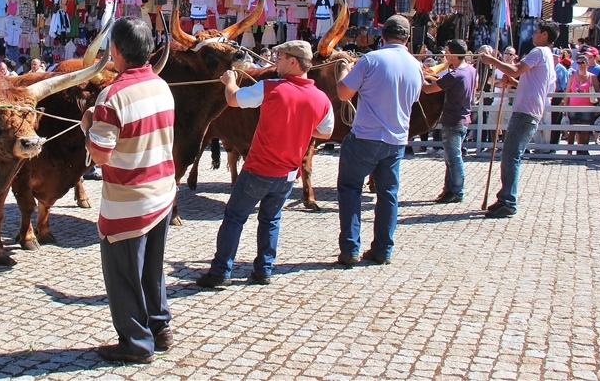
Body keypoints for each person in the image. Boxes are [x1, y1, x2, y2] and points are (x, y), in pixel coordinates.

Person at [196, 40, 334, 286]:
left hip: (259, 169)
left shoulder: (272, 87)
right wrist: (301, 126)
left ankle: (219, 272)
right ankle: (263, 270)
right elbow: (326, 132)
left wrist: (229, 82)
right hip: (288, 174)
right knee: (271, 220)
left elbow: (234, 100)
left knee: (234, 217)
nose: (275, 60)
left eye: (279, 57)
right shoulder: (321, 98)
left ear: (293, 62)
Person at [82, 17, 176, 364]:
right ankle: (160, 327)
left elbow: (100, 154)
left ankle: (136, 343)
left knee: (123, 273)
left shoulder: (112, 95)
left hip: (128, 200)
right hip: (162, 191)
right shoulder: (161, 85)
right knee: (152, 268)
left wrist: (89, 125)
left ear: (116, 51)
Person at [336, 15, 423, 265]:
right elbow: (414, 99)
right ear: (407, 38)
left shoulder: (370, 59)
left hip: (366, 135)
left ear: (381, 36)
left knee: (350, 189)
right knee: (388, 195)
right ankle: (383, 249)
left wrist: (344, 71)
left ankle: (350, 248)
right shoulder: (415, 65)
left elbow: (343, 93)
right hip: (396, 140)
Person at [478, 21, 557, 218]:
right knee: (510, 154)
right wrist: (513, 82)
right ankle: (505, 196)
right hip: (529, 108)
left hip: (526, 110)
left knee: (511, 155)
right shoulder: (547, 55)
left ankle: (508, 200)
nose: (533, 35)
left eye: (537, 32)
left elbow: (515, 70)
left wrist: (492, 61)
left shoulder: (539, 52)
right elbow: (530, 81)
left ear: (545, 35)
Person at [420, 39, 477, 203]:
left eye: (447, 52)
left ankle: (457, 190)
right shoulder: (470, 70)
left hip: (453, 119)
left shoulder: (455, 75)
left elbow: (428, 89)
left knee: (453, 158)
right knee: (451, 157)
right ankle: (450, 189)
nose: (445, 56)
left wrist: (419, 73)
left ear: (453, 55)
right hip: (463, 118)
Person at [562, 55, 600, 155]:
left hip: (587, 107)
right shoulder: (572, 76)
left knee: (585, 130)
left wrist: (599, 107)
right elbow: (568, 91)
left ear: (587, 64)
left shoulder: (592, 77)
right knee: (572, 130)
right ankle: (569, 151)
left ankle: (584, 151)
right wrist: (565, 105)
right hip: (573, 106)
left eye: (582, 62)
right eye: (578, 63)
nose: (580, 65)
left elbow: (598, 92)